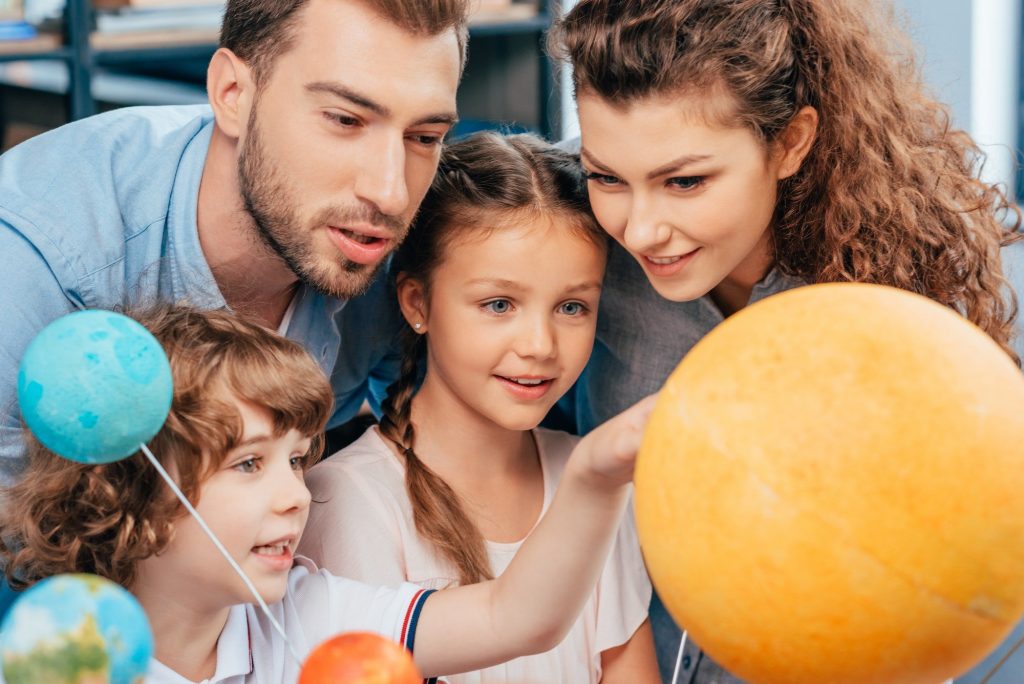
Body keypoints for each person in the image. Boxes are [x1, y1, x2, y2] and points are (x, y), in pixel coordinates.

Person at [547, 0, 1024, 681]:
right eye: (607, 177)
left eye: (685, 181)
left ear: (790, 143)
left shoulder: (909, 285)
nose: (643, 227)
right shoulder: (558, 225)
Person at [0, 305, 655, 683]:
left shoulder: (307, 618)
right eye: (250, 464)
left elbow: (516, 620)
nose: (296, 496)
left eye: (296, 460)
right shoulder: (63, 659)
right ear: (137, 497)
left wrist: (595, 474)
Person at [0, 0, 470, 484]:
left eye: (425, 136)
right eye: (345, 120)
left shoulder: (407, 254)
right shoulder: (32, 264)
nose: (391, 194)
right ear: (232, 94)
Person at [298, 132, 659, 683]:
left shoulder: (596, 476)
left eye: (571, 306)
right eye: (498, 304)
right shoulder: (347, 501)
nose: (540, 344)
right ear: (417, 302)